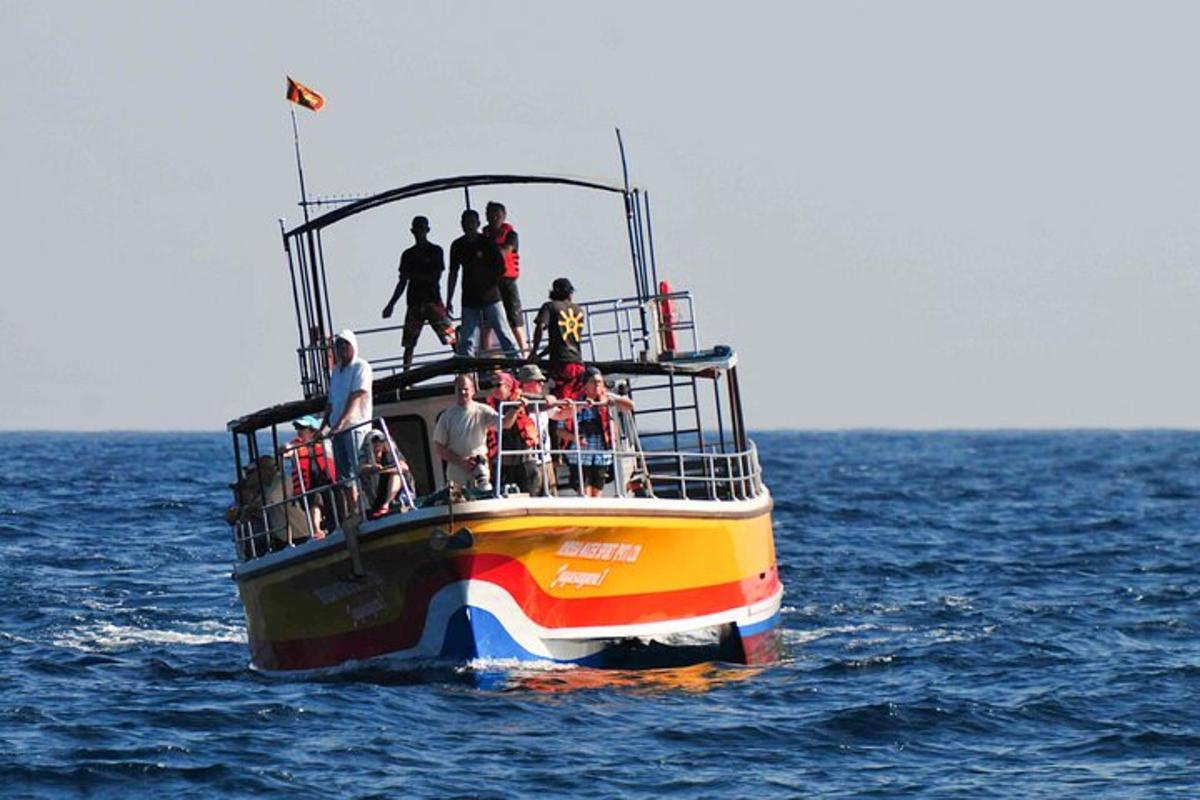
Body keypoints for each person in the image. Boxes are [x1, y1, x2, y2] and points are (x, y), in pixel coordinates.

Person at [382, 215, 456, 366]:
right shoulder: (408, 255)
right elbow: (402, 282)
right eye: (417, 229)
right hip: (414, 303)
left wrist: (414, 276)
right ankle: (406, 378)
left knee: (451, 337)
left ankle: (465, 368)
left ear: (427, 230)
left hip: (433, 300)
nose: (419, 232)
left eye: (422, 228)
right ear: (412, 231)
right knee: (409, 343)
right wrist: (391, 304)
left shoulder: (436, 251)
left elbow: (435, 276)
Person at [447, 209, 521, 359]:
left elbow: (500, 266)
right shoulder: (457, 245)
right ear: (462, 224)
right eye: (466, 223)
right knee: (467, 338)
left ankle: (517, 365)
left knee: (503, 333)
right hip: (469, 298)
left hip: (490, 296)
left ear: (478, 224)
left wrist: (490, 282)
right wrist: (449, 299)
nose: (469, 226)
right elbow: (453, 273)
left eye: (472, 223)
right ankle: (467, 370)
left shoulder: (487, 243)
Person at [433, 373, 525, 490]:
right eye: (459, 389)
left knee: (484, 495)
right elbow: (439, 448)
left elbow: (505, 423)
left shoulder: (483, 410)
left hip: (480, 468)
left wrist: (515, 408)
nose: (462, 392)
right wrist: (461, 462)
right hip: (456, 472)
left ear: (473, 390)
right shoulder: (446, 416)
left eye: (466, 389)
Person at [321, 329, 373, 512]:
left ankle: (371, 508)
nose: (342, 347)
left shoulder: (361, 367)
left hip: (355, 427)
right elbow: (331, 402)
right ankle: (354, 512)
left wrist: (341, 423)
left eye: (345, 344)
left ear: (353, 346)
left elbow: (356, 396)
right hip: (337, 431)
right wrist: (323, 427)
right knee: (345, 476)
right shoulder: (336, 372)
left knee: (361, 470)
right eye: (339, 344)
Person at [563, 366, 635, 497]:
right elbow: (559, 429)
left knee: (597, 494)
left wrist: (613, 400)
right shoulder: (574, 401)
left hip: (601, 456)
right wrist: (575, 438)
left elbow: (630, 406)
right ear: (585, 385)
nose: (597, 385)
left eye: (599, 382)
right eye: (593, 382)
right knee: (584, 494)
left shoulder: (606, 397)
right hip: (580, 456)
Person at [517, 363, 573, 496]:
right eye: (538, 381)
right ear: (526, 383)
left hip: (546, 460)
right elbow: (525, 401)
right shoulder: (519, 402)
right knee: (532, 497)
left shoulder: (544, 405)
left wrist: (576, 407)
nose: (542, 384)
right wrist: (546, 400)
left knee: (552, 496)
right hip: (530, 462)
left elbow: (559, 415)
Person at [484, 371, 543, 493]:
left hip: (524, 459)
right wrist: (515, 408)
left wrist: (550, 399)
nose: (494, 389)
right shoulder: (490, 407)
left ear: (508, 386)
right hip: (503, 462)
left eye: (498, 385)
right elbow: (505, 424)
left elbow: (541, 402)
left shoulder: (520, 399)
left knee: (530, 493)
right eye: (491, 386)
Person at [483, 201, 528, 356]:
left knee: (514, 318)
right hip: (490, 282)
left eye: (497, 214)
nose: (494, 217)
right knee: (487, 320)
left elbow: (507, 249)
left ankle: (524, 352)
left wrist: (490, 254)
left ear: (504, 216)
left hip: (507, 280)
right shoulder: (484, 237)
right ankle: (487, 356)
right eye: (491, 215)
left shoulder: (511, 235)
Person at [281, 414, 337, 538]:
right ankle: (317, 530)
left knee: (331, 498)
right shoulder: (296, 445)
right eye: (297, 428)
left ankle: (334, 524)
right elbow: (288, 451)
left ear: (312, 430)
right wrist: (284, 449)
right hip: (309, 484)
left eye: (302, 428)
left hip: (326, 479)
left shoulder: (325, 442)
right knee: (315, 500)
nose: (299, 431)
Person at [530, 277, 586, 399]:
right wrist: (540, 355)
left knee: (559, 401)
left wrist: (534, 352)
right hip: (578, 363)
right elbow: (562, 340)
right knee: (573, 401)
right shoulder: (579, 310)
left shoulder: (550, 307)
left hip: (561, 365)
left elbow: (540, 328)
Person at [358, 430, 414, 519]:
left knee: (397, 474)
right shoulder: (366, 457)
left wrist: (386, 470)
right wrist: (372, 468)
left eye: (380, 441)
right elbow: (361, 469)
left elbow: (404, 466)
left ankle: (387, 505)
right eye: (374, 442)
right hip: (378, 493)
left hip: (399, 493)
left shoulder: (391, 453)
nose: (377, 444)